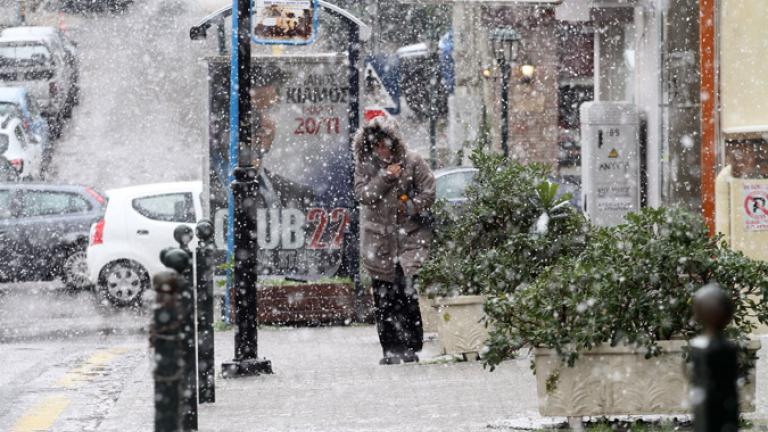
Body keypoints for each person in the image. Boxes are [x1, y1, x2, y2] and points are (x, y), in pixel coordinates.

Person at [353, 115, 436, 365]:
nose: (381, 150)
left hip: (408, 239)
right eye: (376, 145)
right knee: (383, 296)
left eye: (385, 144)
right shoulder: (366, 165)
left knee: (405, 293)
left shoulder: (413, 161)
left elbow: (429, 192)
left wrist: (410, 207)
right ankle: (390, 349)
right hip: (378, 241)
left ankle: (411, 345)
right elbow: (363, 195)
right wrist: (386, 177)